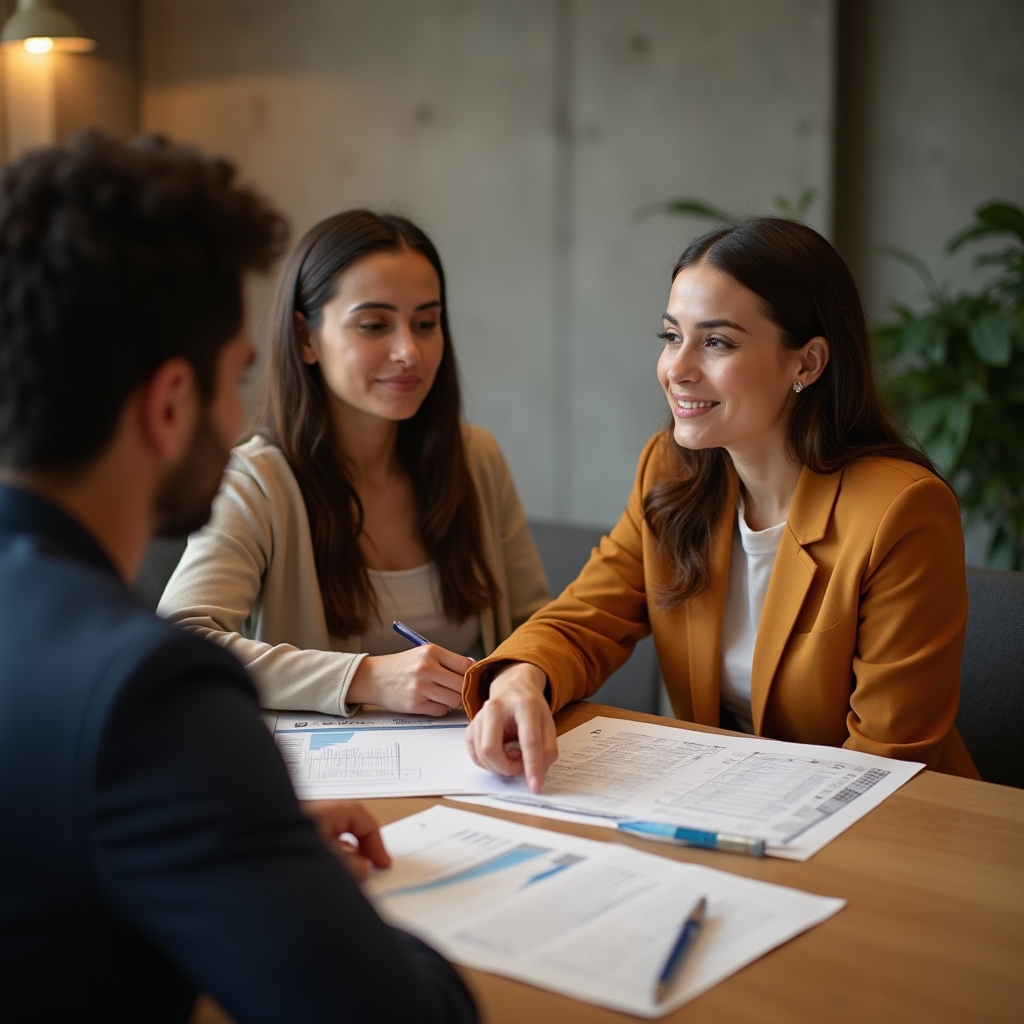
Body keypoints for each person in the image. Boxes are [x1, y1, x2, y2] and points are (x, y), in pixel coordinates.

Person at [0, 132, 477, 1023]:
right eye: (234, 379)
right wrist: (280, 873)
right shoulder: (152, 696)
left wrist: (230, 835)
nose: (239, 417)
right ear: (169, 404)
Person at [462, 217, 980, 793]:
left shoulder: (901, 512)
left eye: (716, 342)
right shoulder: (670, 472)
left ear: (806, 363)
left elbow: (883, 762)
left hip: (883, 822)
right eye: (671, 336)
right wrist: (520, 680)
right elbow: (583, 622)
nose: (677, 369)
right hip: (724, 802)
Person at [158, 209, 549, 718]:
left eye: (425, 323)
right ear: (306, 338)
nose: (409, 351)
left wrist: (520, 674)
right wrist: (366, 677)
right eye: (374, 325)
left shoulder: (476, 459)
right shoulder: (254, 481)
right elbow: (181, 642)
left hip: (475, 753)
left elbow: (536, 625)